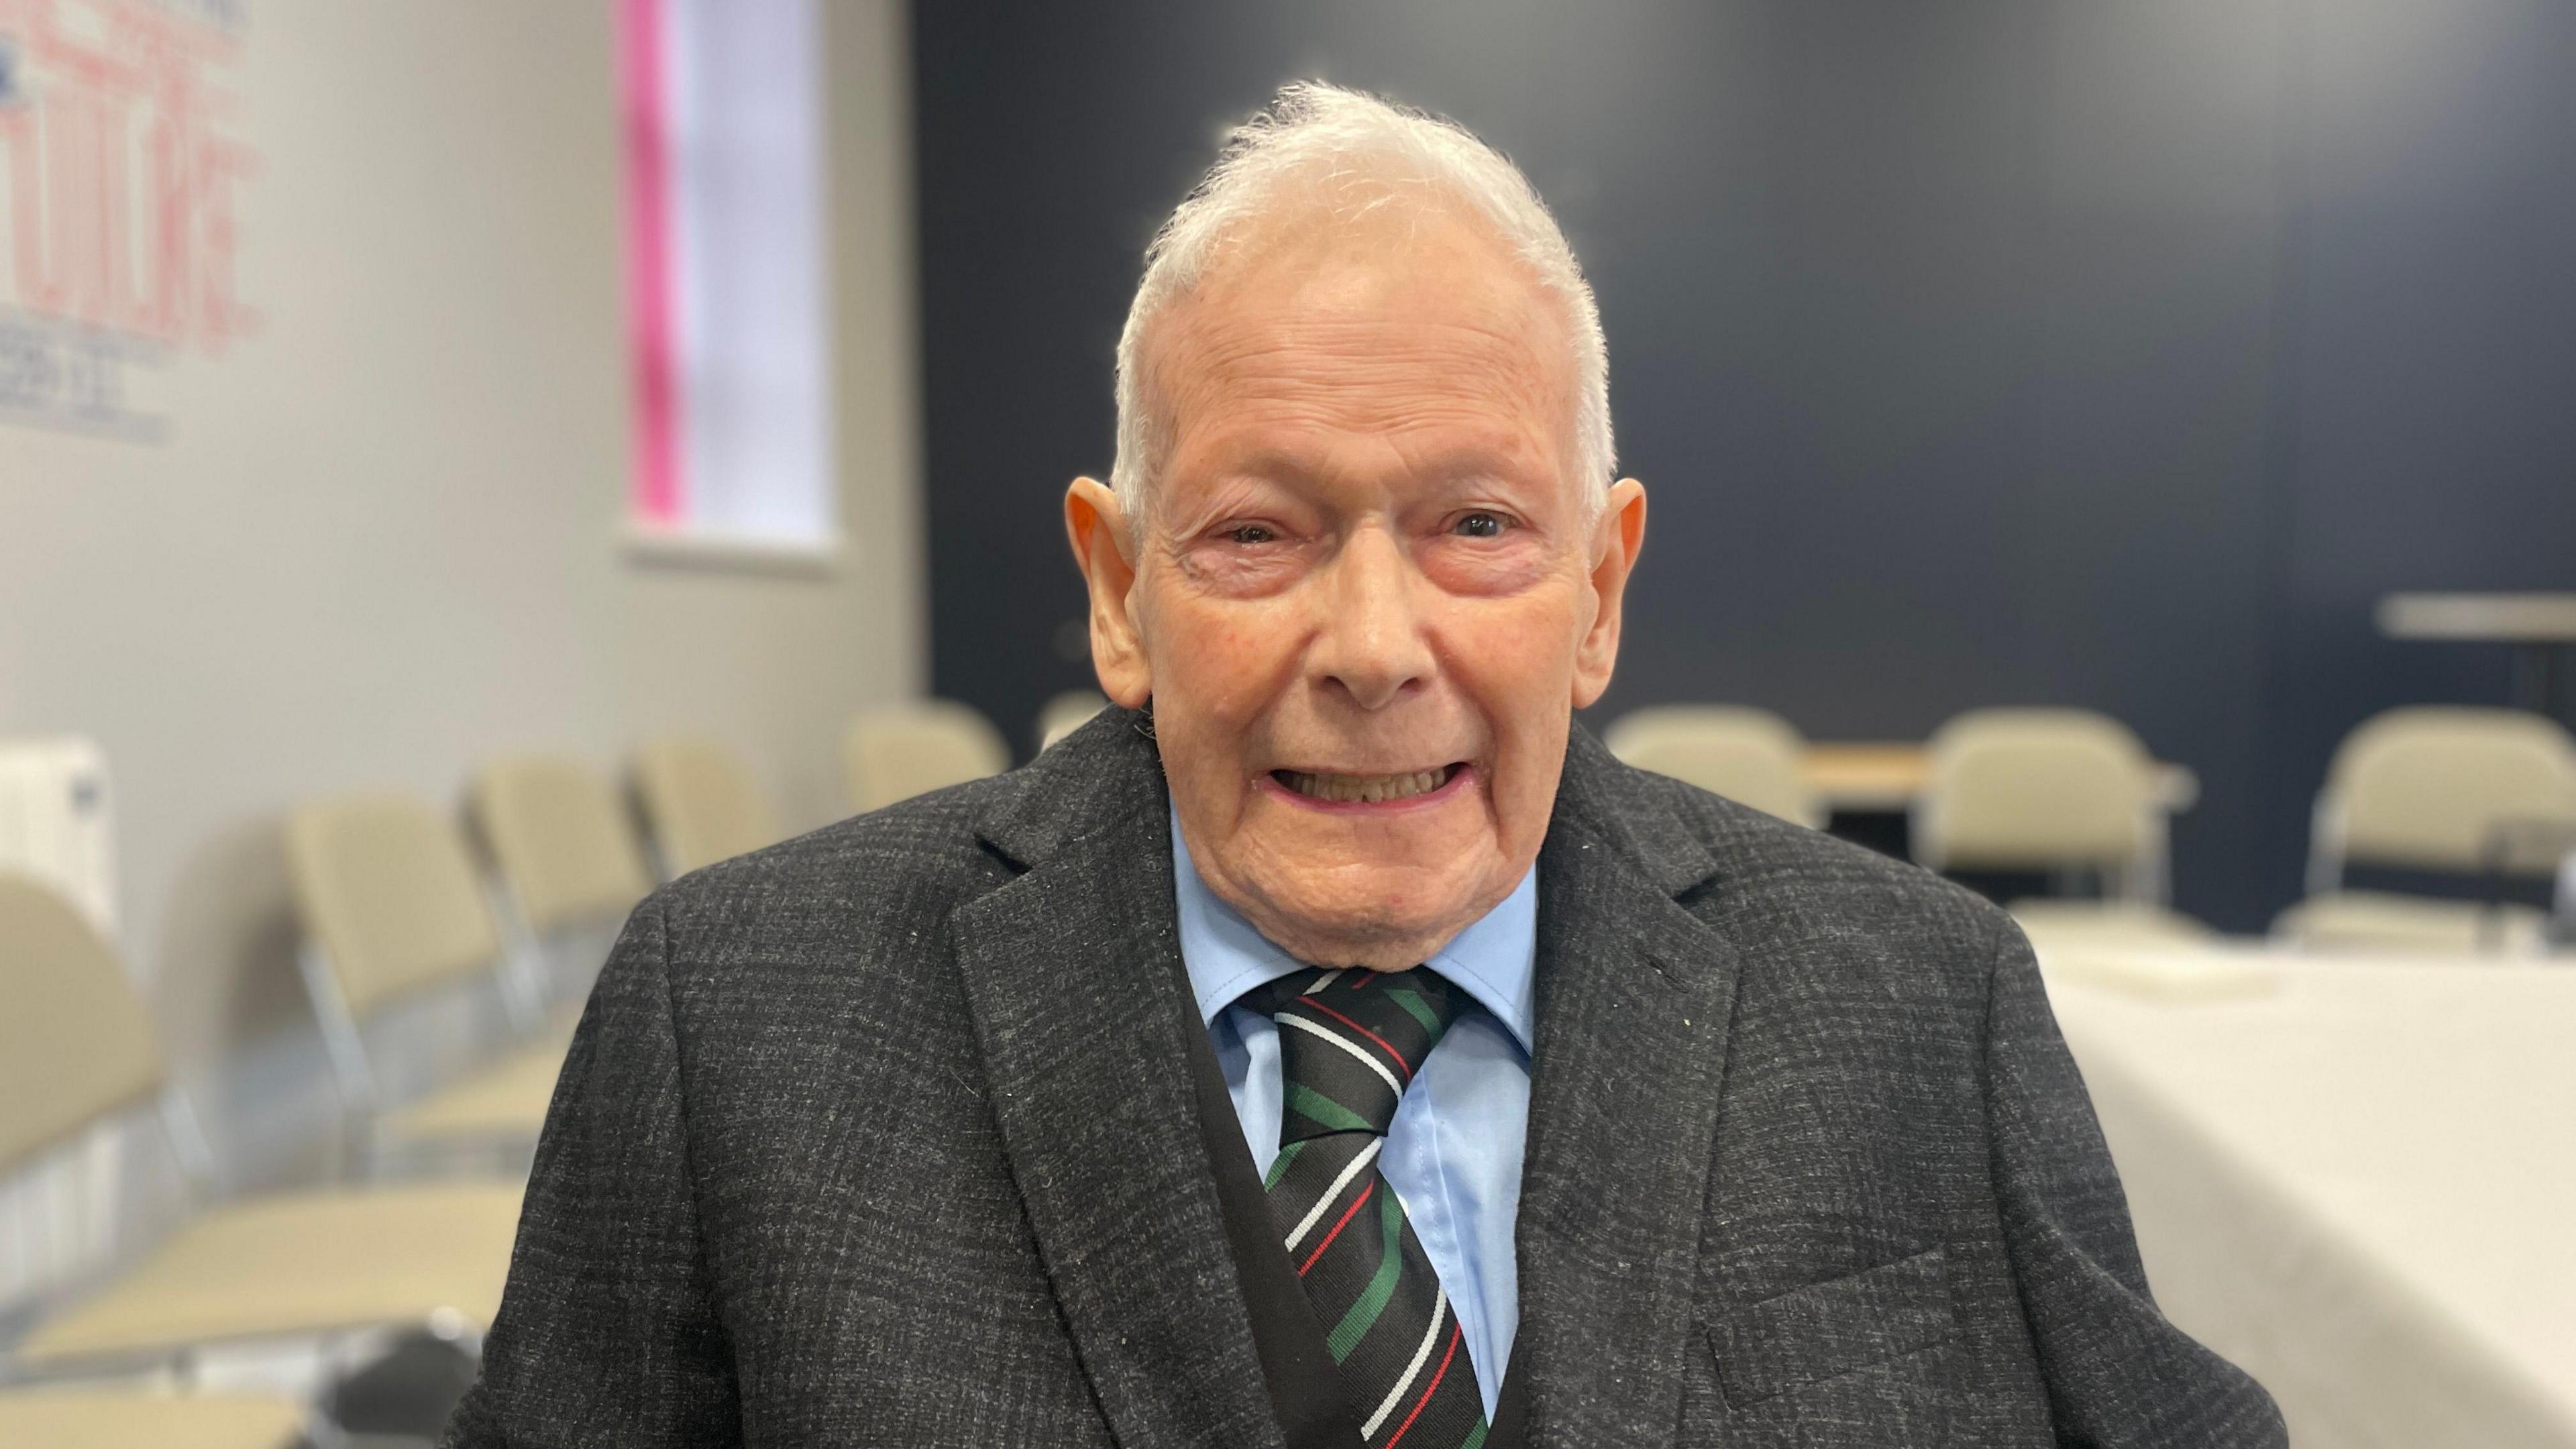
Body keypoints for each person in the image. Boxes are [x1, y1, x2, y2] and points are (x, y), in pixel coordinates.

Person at [444, 81, 2283, 1448]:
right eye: (1257, 534)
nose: (1376, 647)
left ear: (1598, 588)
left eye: (1479, 525)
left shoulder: (1920, 1008)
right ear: (1115, 589)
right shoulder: (741, 1026)